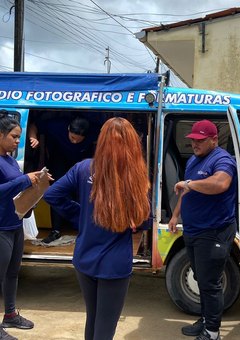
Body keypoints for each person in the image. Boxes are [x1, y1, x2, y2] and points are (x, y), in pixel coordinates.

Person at [43, 117, 150, 340]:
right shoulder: (135, 175)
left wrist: (81, 216)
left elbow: (52, 195)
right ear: (132, 143)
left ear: (101, 141)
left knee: (93, 319)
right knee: (105, 326)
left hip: (84, 257)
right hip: (114, 263)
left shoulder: (83, 168)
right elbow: (143, 220)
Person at [168, 120, 237, 340]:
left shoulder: (223, 160)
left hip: (213, 231)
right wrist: (176, 214)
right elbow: (186, 193)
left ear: (214, 139)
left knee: (210, 283)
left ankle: (212, 332)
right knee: (201, 278)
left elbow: (220, 184)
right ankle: (206, 320)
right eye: (193, 140)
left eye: (200, 140)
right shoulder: (194, 161)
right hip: (193, 230)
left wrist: (189, 184)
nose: (195, 144)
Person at [0, 112, 51, 340]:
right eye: (13, 136)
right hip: (0, 227)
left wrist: (37, 183)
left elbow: (15, 190)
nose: (17, 141)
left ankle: (10, 315)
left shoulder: (10, 159)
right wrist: (23, 180)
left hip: (14, 223)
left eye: (20, 137)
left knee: (13, 273)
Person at [28, 116, 99, 244]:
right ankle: (56, 230)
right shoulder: (56, 125)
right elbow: (34, 125)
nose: (75, 142)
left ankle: (84, 228)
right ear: (68, 129)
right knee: (56, 191)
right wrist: (33, 137)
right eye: (72, 138)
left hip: (82, 162)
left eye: (79, 140)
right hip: (59, 160)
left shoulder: (94, 131)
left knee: (86, 192)